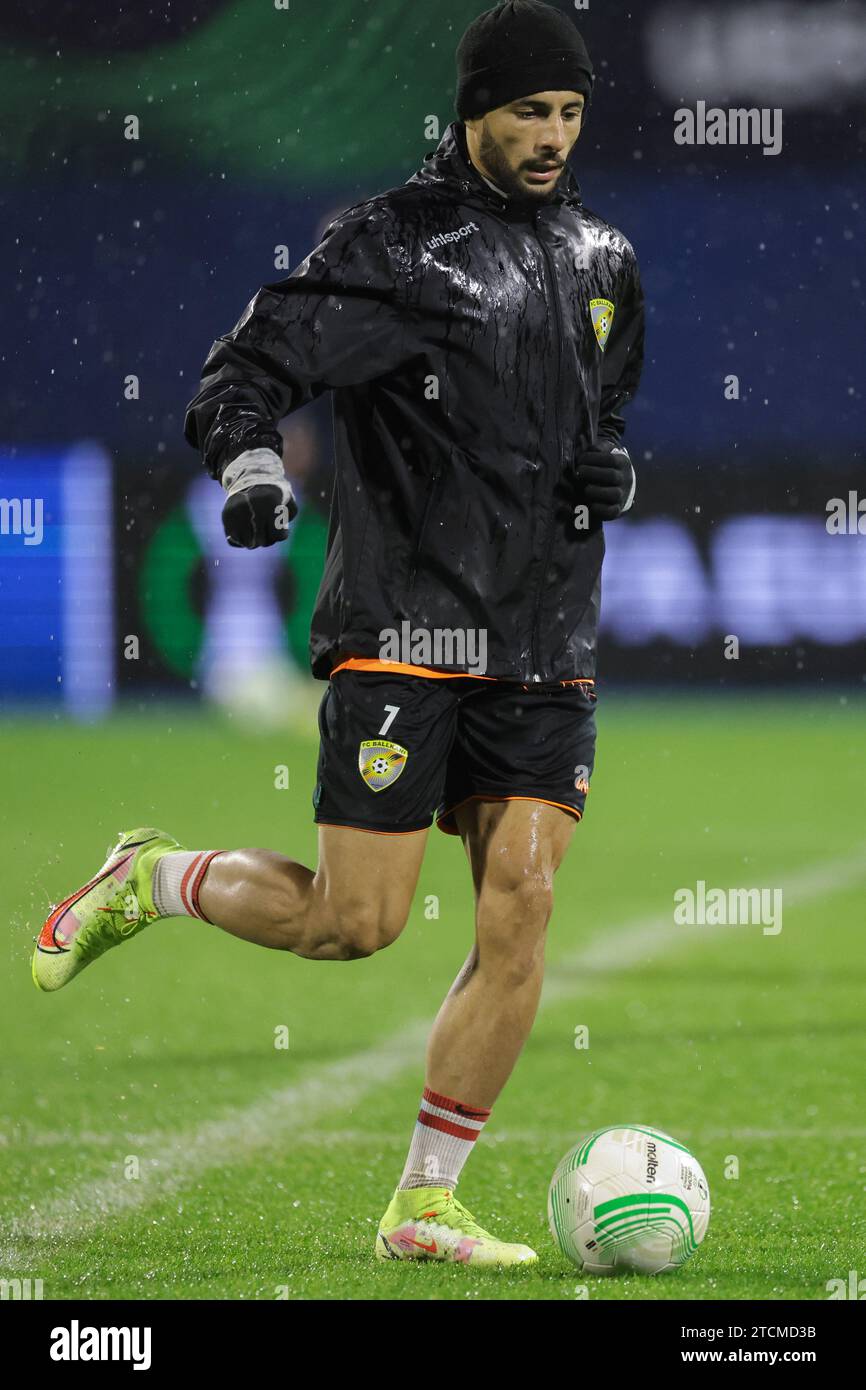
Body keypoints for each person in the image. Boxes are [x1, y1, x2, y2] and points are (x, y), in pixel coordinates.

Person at [32, 0, 645, 1268]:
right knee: (351, 925)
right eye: (527, 109)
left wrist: (605, 475)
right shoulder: (393, 246)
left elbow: (601, 415)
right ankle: (153, 877)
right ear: (473, 110)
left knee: (519, 906)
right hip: (409, 629)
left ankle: (423, 1201)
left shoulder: (601, 257)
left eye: (568, 111)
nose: (550, 134)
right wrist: (252, 462)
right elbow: (240, 372)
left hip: (542, 643)